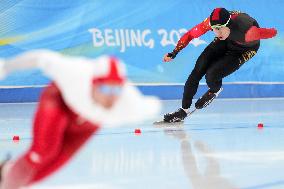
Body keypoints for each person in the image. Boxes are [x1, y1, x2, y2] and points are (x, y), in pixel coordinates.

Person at [0, 50, 161, 189]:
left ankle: (9, 171)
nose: (111, 96)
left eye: (117, 88)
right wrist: (6, 66)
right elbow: (41, 57)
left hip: (89, 122)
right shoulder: (75, 72)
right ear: (93, 83)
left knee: (54, 165)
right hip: (59, 102)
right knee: (44, 152)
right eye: (106, 88)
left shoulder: (129, 101)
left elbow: (153, 105)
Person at [163, 8, 277, 123]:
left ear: (228, 25)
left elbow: (273, 32)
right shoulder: (212, 25)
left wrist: (274, 31)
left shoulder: (248, 32)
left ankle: (214, 90)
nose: (217, 33)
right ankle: (183, 110)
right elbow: (190, 35)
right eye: (214, 29)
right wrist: (174, 52)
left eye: (220, 29)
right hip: (226, 41)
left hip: (244, 49)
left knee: (211, 75)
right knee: (198, 68)